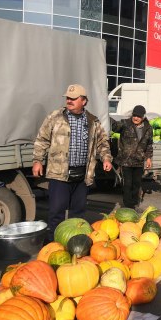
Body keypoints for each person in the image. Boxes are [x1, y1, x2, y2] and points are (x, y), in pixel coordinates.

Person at [33, 84, 113, 240]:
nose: (69, 101)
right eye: (68, 98)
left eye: (73, 98)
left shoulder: (92, 121)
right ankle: (53, 243)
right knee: (56, 212)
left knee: (78, 213)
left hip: (82, 175)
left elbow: (102, 142)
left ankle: (76, 243)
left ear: (84, 101)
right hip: (59, 175)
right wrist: (37, 160)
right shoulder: (55, 117)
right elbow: (42, 139)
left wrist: (106, 158)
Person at [111, 105, 153, 211]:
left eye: (138, 116)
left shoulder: (148, 128)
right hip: (126, 161)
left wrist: (148, 158)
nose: (136, 118)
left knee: (136, 184)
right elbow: (114, 127)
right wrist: (111, 121)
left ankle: (134, 203)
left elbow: (149, 144)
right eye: (134, 115)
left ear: (143, 117)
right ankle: (128, 206)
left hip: (139, 161)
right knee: (127, 184)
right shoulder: (125, 124)